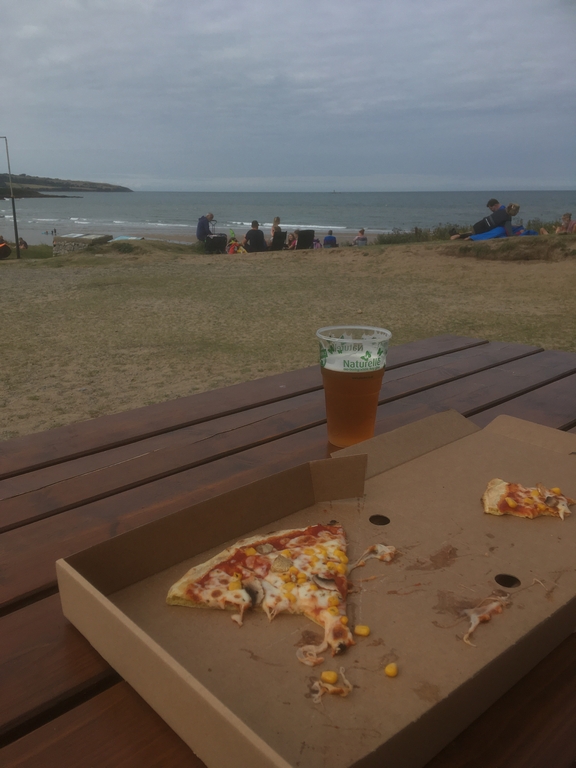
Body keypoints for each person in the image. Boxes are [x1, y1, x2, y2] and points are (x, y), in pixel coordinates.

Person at [451, 200, 517, 240]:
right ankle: (458, 236)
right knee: (473, 233)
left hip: (482, 222)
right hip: (485, 226)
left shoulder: (502, 209)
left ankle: (458, 235)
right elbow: (509, 231)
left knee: (473, 231)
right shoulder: (507, 217)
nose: (491, 210)